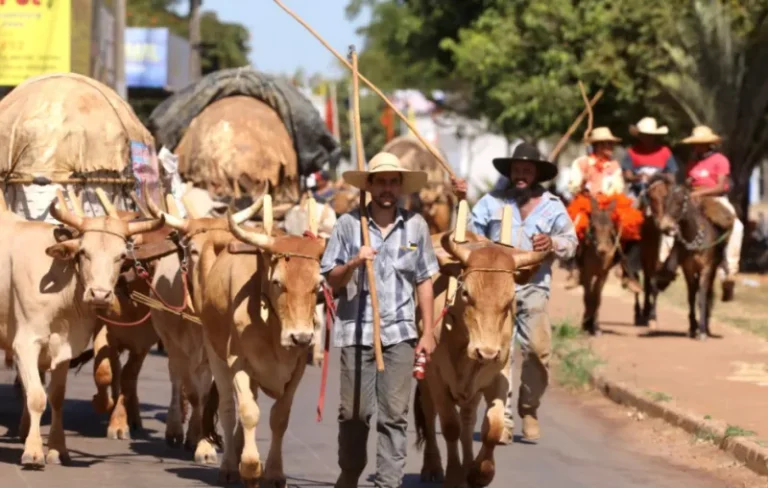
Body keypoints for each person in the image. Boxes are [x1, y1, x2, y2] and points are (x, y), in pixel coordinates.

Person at [320, 152, 439, 488]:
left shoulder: (415, 226)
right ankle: (350, 470)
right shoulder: (347, 225)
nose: (387, 188)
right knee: (355, 415)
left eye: (393, 181)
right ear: (369, 185)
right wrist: (356, 261)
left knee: (395, 416)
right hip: (356, 334)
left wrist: (427, 332)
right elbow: (332, 280)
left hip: (400, 334)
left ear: (400, 186)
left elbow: (425, 281)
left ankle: (387, 483)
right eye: (381, 181)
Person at [451, 142, 578, 444]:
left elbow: (571, 241)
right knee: (498, 352)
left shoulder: (552, 205)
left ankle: (529, 407)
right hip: (494, 292)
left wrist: (552, 243)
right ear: (510, 172)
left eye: (527, 170)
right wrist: (460, 200)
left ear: (536, 174)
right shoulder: (492, 202)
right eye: (517, 170)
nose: (521, 175)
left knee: (538, 349)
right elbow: (467, 234)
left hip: (534, 285)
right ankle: (502, 418)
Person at [657, 125, 743, 301]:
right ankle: (665, 267)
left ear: (709, 144)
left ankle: (730, 272)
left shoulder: (720, 160)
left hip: (715, 198)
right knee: (669, 224)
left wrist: (699, 193)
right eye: (695, 144)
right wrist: (687, 192)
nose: (697, 147)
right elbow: (689, 183)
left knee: (737, 227)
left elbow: (720, 185)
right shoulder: (692, 161)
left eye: (701, 143)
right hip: (693, 200)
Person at [563, 127, 643, 292]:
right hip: (586, 201)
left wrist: (606, 199)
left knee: (630, 224)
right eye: (607, 143)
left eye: (611, 144)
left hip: (608, 204)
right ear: (598, 145)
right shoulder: (581, 163)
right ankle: (574, 268)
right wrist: (581, 182)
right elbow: (572, 187)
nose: (610, 147)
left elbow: (618, 187)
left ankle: (627, 271)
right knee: (576, 224)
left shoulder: (614, 166)